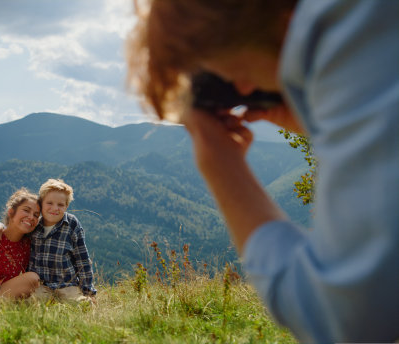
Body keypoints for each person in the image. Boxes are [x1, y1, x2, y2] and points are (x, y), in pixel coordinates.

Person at [126, 0, 398, 342]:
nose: (242, 89)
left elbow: (346, 317)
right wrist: (323, 122)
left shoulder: (346, 36)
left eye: (227, 70)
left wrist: (222, 167)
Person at [29, 179, 96, 303]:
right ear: (41, 203)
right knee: (32, 304)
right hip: (41, 285)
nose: (55, 208)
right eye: (49, 203)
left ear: (66, 206)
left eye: (60, 205)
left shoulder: (72, 224)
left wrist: (89, 292)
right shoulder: (34, 224)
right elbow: (15, 228)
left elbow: (83, 260)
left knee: (81, 305)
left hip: (67, 285)